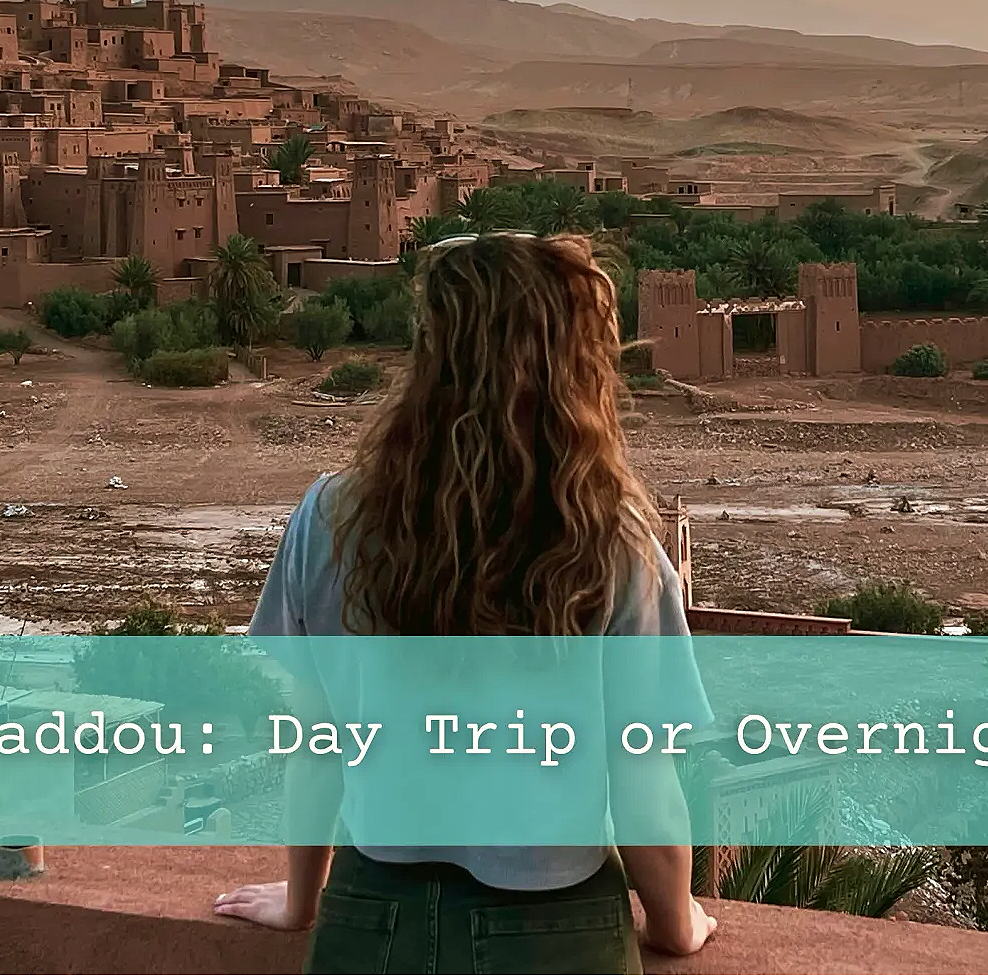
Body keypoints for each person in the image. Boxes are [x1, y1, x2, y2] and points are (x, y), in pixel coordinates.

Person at [213, 231, 716, 973]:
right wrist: (677, 924)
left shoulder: (330, 515)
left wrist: (302, 901)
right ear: (569, 364)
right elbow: (643, 778)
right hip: (556, 930)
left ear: (429, 355)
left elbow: (316, 744)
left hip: (368, 918)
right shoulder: (613, 541)